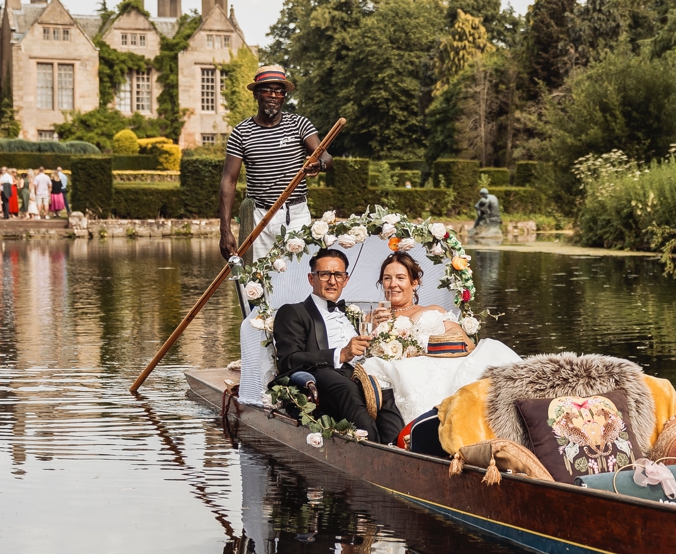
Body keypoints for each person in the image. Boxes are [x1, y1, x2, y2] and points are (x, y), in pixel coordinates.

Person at [359, 251, 522, 422]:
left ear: (414, 282)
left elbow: (465, 343)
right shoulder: (372, 317)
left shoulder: (433, 310)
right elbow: (364, 353)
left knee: (492, 352)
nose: (393, 284)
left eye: (400, 278)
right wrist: (376, 328)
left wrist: (426, 343)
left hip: (442, 367)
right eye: (387, 278)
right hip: (405, 374)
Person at [271, 248, 404, 443]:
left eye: (338, 275)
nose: (332, 281)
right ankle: (375, 451)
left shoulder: (349, 314)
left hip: (359, 372)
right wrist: (340, 355)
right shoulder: (293, 312)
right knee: (346, 388)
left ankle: (397, 447)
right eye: (325, 274)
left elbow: (361, 349)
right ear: (311, 278)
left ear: (345, 279)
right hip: (322, 374)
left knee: (385, 386)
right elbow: (288, 361)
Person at [219, 64, 333, 261]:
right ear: (256, 94)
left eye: (279, 92)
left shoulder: (299, 125)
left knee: (298, 278)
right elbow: (228, 181)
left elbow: (325, 156)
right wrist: (225, 230)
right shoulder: (241, 133)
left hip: (295, 216)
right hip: (259, 218)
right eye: (267, 90)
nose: (273, 96)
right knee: (258, 284)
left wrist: (320, 165)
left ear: (284, 97)